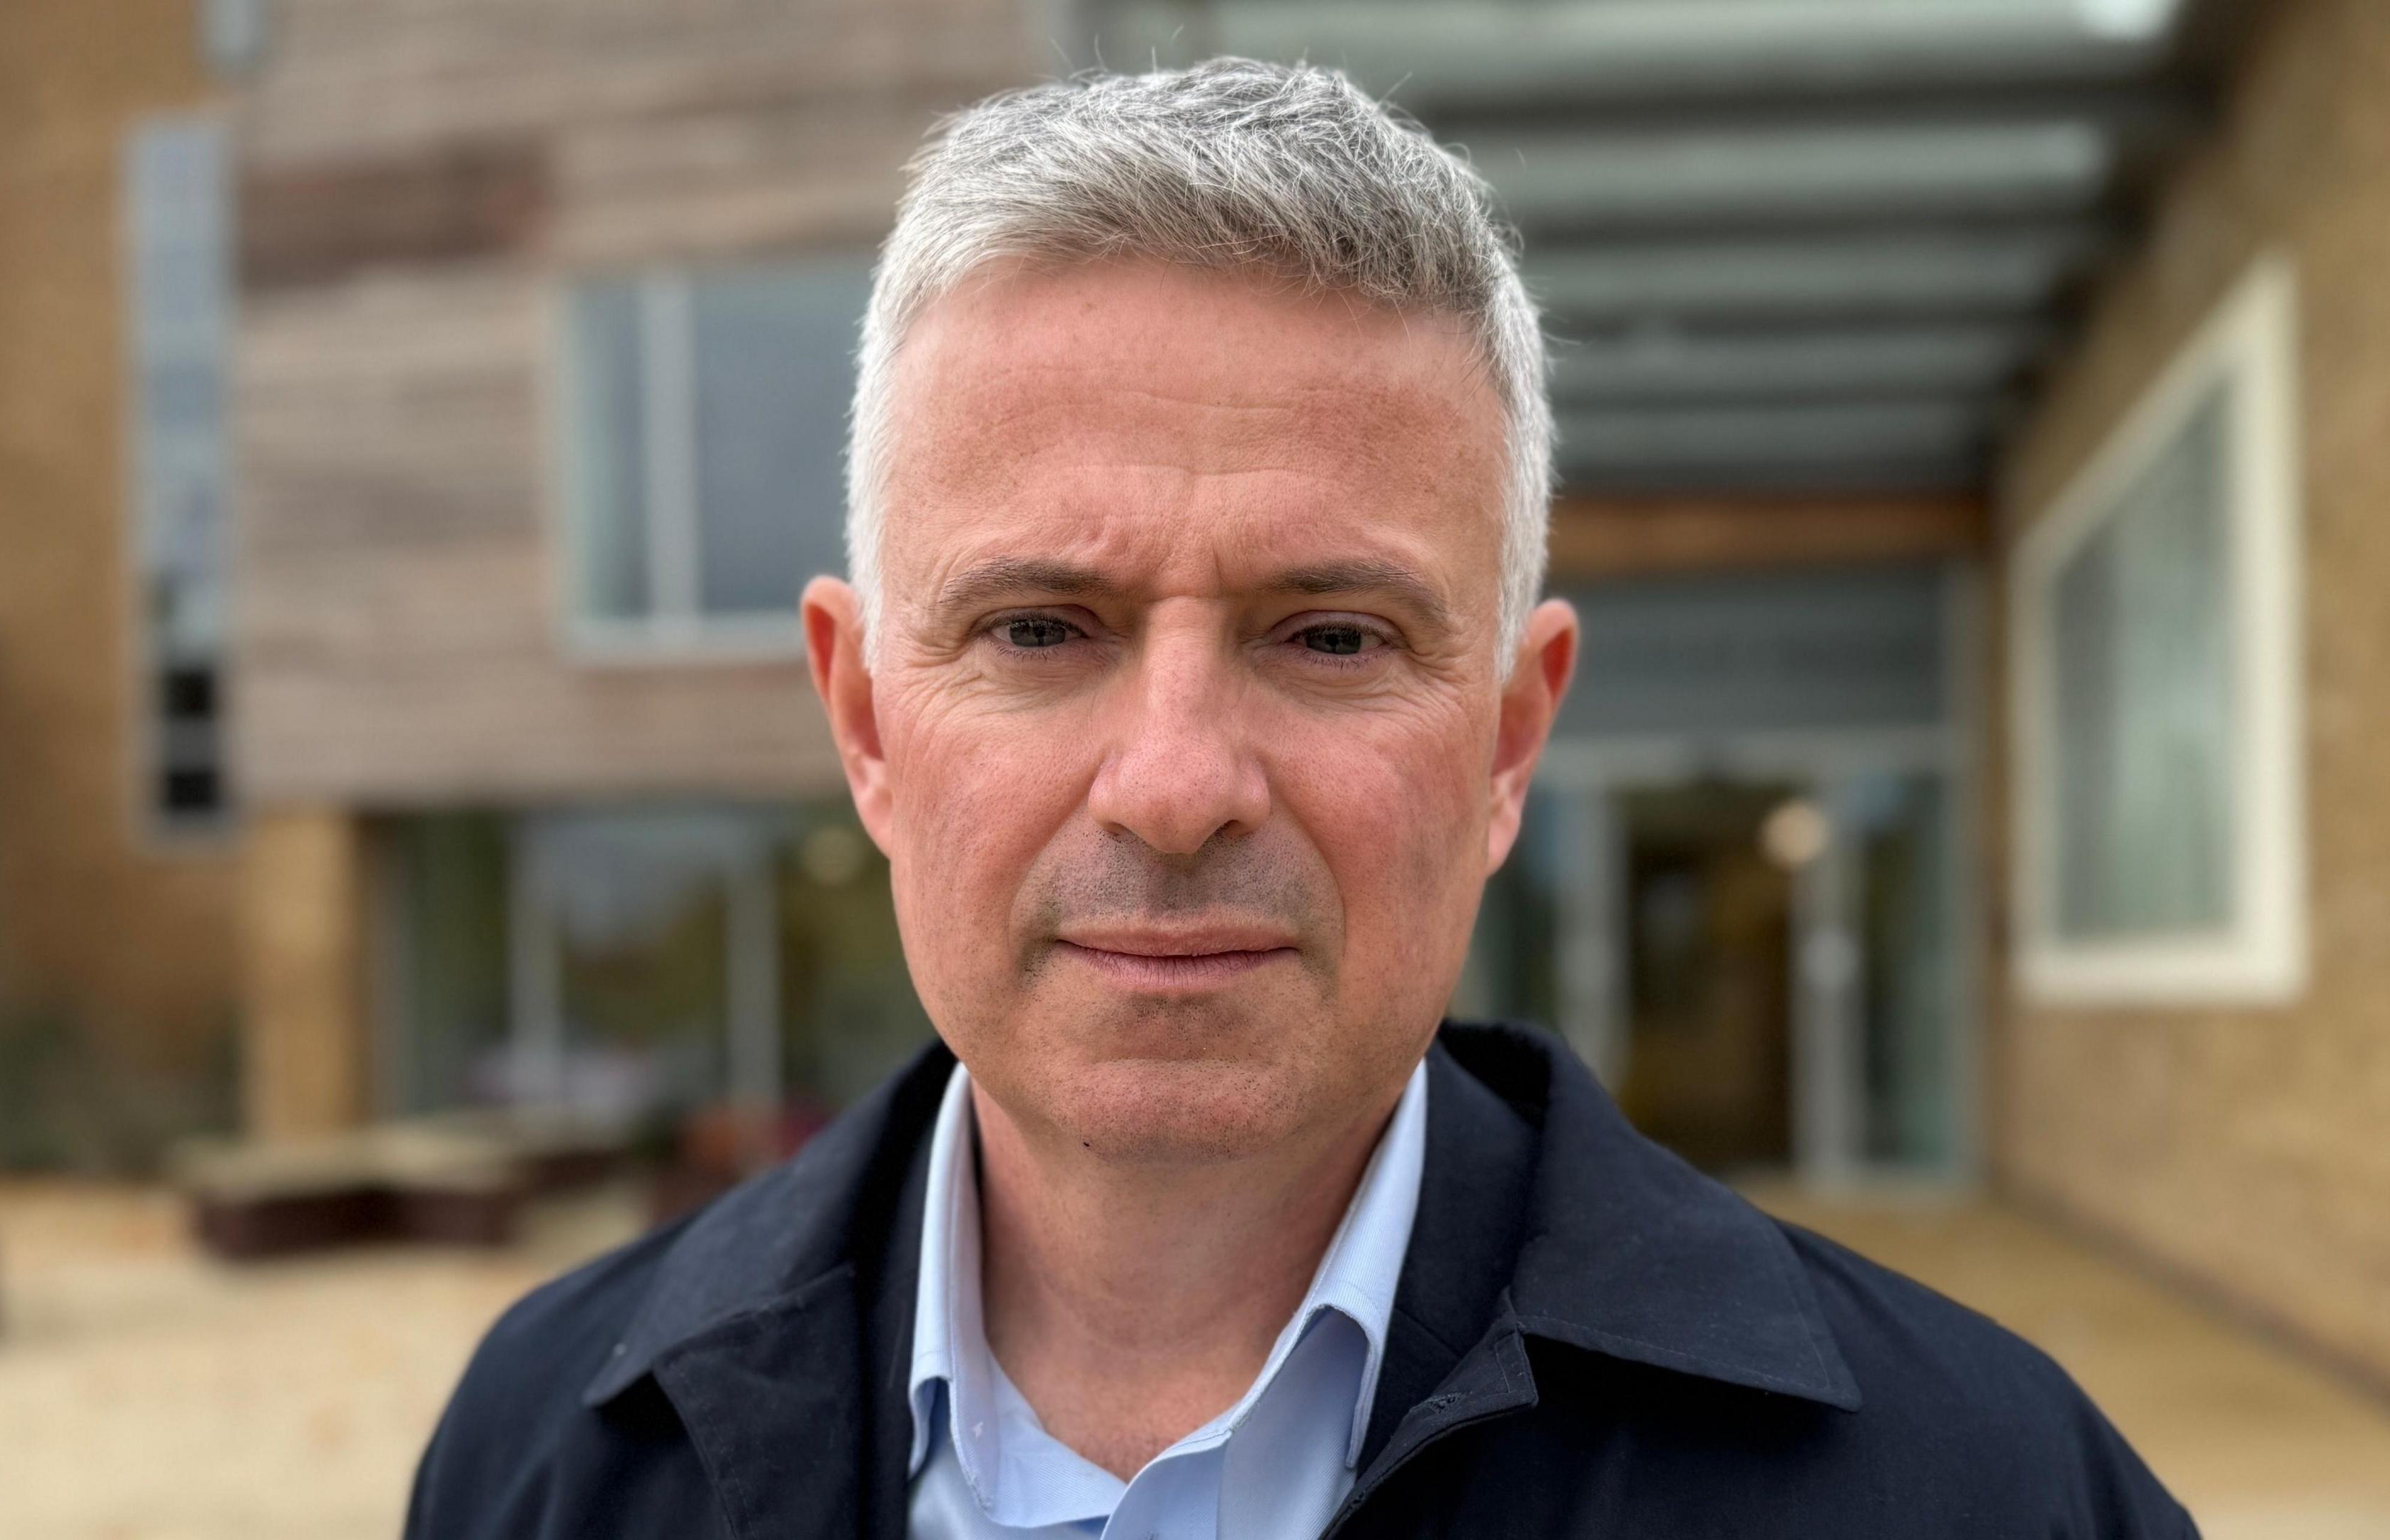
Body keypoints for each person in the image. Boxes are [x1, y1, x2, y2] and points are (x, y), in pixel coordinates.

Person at [405, 58, 2198, 1540]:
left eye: (1330, 636)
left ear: (1508, 743)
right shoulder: (545, 1462)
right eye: (1041, 627)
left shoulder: (1975, 1495)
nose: (1178, 786)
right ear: (866, 719)